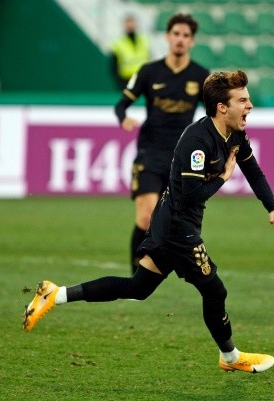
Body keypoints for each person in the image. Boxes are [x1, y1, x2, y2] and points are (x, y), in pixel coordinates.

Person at [23, 69, 274, 374]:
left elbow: (253, 170)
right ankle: (230, 357)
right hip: (178, 227)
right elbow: (191, 195)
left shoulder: (235, 136)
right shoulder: (197, 141)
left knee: (139, 287)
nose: (250, 105)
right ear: (222, 107)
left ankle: (56, 294)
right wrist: (225, 177)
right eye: (243, 100)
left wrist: (272, 207)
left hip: (172, 221)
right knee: (215, 291)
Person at [114, 13, 210, 275]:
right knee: (146, 217)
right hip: (150, 153)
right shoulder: (149, 72)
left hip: (181, 159)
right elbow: (121, 104)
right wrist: (124, 118)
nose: (180, 39)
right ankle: (135, 276)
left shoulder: (201, 76)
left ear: (192, 41)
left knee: (171, 223)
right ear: (168, 37)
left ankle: (153, 272)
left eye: (186, 36)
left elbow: (216, 112)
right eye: (176, 34)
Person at [110, 14, 151, 90]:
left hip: (143, 79)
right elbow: (113, 65)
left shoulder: (144, 40)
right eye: (128, 23)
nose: (130, 26)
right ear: (124, 25)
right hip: (126, 80)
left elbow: (149, 59)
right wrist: (119, 81)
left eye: (132, 23)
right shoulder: (118, 43)